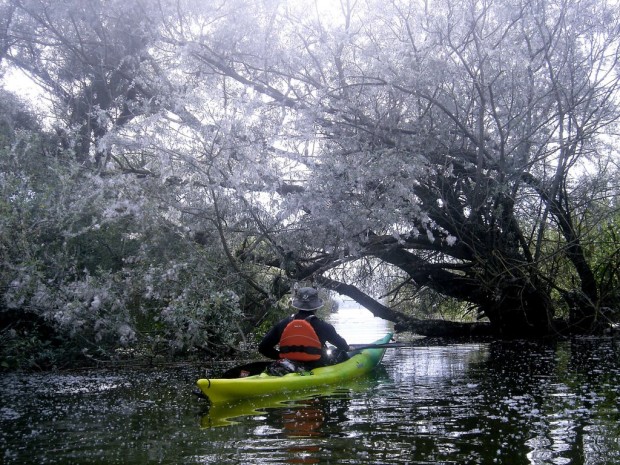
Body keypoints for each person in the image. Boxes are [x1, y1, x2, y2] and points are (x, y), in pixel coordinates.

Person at [258, 287, 350, 370]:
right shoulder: (325, 327)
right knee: (337, 353)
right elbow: (343, 347)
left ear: (298, 305)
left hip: (288, 367)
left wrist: (281, 357)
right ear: (316, 307)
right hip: (316, 368)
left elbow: (263, 348)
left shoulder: (283, 324)